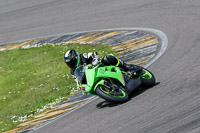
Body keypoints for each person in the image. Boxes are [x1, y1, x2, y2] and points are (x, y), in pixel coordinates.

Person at [64, 49, 142, 75]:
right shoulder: (73, 71)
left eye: (71, 61)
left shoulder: (83, 56)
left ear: (76, 57)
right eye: (68, 63)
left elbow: (94, 53)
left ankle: (126, 66)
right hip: (93, 76)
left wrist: (95, 60)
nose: (70, 64)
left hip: (100, 66)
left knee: (107, 58)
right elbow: (78, 81)